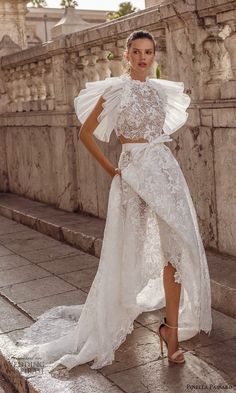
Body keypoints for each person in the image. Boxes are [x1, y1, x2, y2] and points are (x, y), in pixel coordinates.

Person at [15, 30, 212, 373]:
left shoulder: (159, 92)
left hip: (165, 174)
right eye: (136, 51)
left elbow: (160, 132)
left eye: (148, 52)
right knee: (128, 253)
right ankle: (118, 309)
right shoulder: (116, 90)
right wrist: (112, 170)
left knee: (178, 252)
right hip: (133, 175)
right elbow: (85, 133)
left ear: (154, 56)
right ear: (126, 54)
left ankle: (172, 334)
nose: (142, 57)